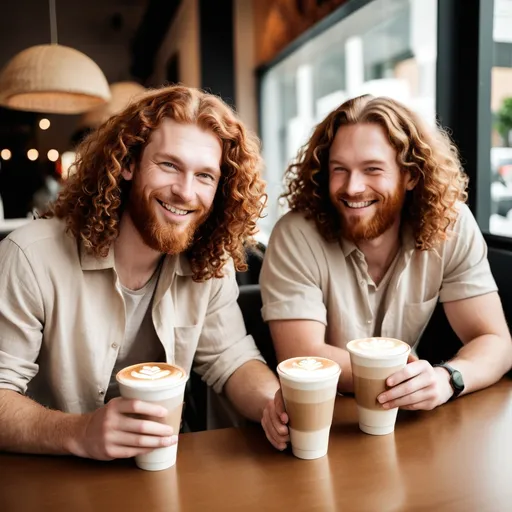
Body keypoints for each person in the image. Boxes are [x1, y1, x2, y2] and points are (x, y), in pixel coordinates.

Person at [0, 85, 288, 459]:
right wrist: (80, 431)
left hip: (160, 470)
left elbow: (230, 359)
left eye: (204, 176)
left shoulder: (208, 261)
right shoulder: (29, 257)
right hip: (50, 476)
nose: (185, 192)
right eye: (169, 165)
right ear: (127, 163)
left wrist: (275, 406)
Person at [260, 94, 512, 435]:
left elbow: (495, 341)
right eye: (340, 170)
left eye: (372, 169)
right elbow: (304, 356)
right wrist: (401, 376)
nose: (352, 187)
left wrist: (446, 378)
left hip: (403, 424)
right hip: (322, 424)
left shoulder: (449, 225)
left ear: (410, 175)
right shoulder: (295, 235)